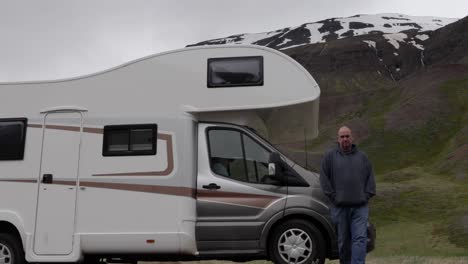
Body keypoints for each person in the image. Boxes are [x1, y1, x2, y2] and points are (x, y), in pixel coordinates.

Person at [319, 126, 376, 264]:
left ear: (352, 138)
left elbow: (370, 178)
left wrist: (366, 196)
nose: (345, 139)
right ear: (338, 139)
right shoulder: (329, 157)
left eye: (347, 136)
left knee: (360, 239)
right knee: (343, 241)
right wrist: (333, 197)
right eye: (342, 136)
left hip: (359, 207)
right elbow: (324, 179)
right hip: (340, 208)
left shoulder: (362, 157)